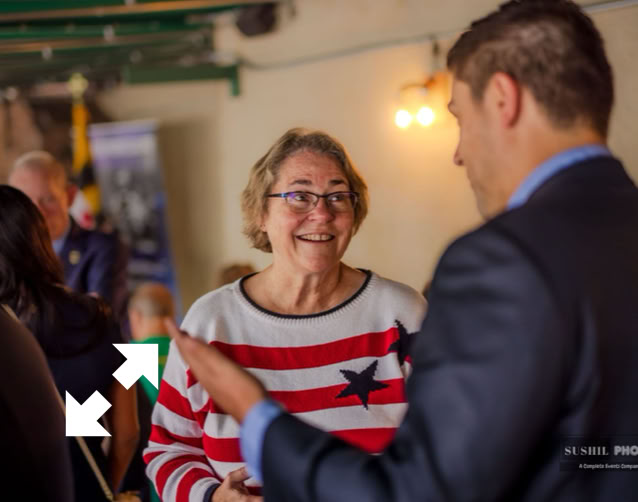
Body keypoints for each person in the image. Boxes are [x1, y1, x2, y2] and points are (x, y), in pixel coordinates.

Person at [167, 1, 638, 501]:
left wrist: (257, 415)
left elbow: (420, 489)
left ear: (503, 99)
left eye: (460, 117)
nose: (458, 153)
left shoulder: (501, 262)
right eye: (299, 197)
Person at [144, 128, 427, 502]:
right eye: (299, 197)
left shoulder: (402, 314)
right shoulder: (212, 322)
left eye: (338, 196)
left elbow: (447, 450)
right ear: (261, 213)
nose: (321, 213)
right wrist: (210, 497)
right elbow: (169, 450)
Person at [0, 185, 139, 500]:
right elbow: (128, 433)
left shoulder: (8, 330)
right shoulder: (100, 316)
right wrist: (104, 485)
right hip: (89, 488)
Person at [8, 150, 129, 322]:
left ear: (70, 196)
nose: (38, 212)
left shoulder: (102, 247)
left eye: (48, 199)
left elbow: (100, 319)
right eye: (27, 203)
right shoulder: (10, 254)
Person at [0, 305, 75, 502]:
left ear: (137, 317)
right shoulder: (102, 326)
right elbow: (128, 434)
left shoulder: (18, 318)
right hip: (82, 481)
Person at [124, 282, 175, 502]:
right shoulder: (191, 355)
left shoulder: (128, 361)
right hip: (191, 485)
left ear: (135, 316)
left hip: (145, 485)